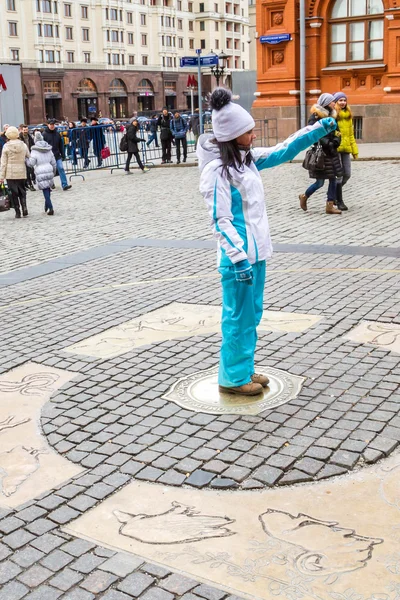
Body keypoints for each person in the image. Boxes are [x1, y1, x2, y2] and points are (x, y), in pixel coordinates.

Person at [197, 88, 335, 396]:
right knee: (237, 319)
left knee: (251, 316)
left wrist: (317, 129)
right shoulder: (217, 171)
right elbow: (221, 220)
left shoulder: (246, 161)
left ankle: (243, 368)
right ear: (233, 134)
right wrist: (239, 258)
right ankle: (232, 379)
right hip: (238, 261)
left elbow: (284, 150)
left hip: (255, 256)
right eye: (248, 130)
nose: (254, 133)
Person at [298, 93, 343, 215]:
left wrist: (336, 141)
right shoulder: (316, 117)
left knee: (333, 179)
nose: (335, 103)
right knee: (320, 182)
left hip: (332, 152)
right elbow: (314, 134)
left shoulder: (333, 115)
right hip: (321, 154)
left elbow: (337, 131)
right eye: (333, 102)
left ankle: (330, 205)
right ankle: (304, 196)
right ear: (327, 103)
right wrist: (327, 142)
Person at [333, 91, 358, 211]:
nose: (343, 102)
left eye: (344, 100)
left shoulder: (348, 115)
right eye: (340, 100)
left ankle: (333, 193)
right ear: (336, 102)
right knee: (339, 175)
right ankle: (339, 201)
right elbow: (330, 131)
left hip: (346, 148)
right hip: (336, 148)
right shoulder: (333, 115)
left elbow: (351, 134)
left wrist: (355, 150)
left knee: (347, 174)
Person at [0, 126, 30, 218]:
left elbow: (3, 163)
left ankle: (17, 211)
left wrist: (1, 176)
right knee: (22, 190)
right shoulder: (23, 145)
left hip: (10, 173)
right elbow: (28, 155)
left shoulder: (6, 146)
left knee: (14, 193)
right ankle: (24, 207)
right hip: (21, 171)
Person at [27, 131, 57, 216]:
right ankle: (47, 205)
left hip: (40, 170)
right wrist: (54, 171)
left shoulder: (34, 151)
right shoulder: (48, 149)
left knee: (45, 190)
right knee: (47, 189)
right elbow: (53, 162)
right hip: (49, 168)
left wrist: (26, 160)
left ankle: (50, 207)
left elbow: (31, 163)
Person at [43, 119, 72, 191]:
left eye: (53, 125)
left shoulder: (57, 134)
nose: (52, 126)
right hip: (48, 156)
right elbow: (42, 146)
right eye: (51, 125)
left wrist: (63, 154)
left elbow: (61, 145)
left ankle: (64, 184)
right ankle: (50, 184)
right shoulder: (44, 134)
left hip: (57, 155)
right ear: (48, 125)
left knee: (61, 168)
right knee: (50, 171)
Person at [19, 125, 36, 191]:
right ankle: (29, 184)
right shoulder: (20, 137)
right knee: (27, 171)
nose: (26, 131)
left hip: (29, 155)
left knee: (31, 169)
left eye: (26, 130)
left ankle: (31, 181)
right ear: (21, 130)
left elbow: (33, 144)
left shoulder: (29, 136)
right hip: (22, 156)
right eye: (24, 130)